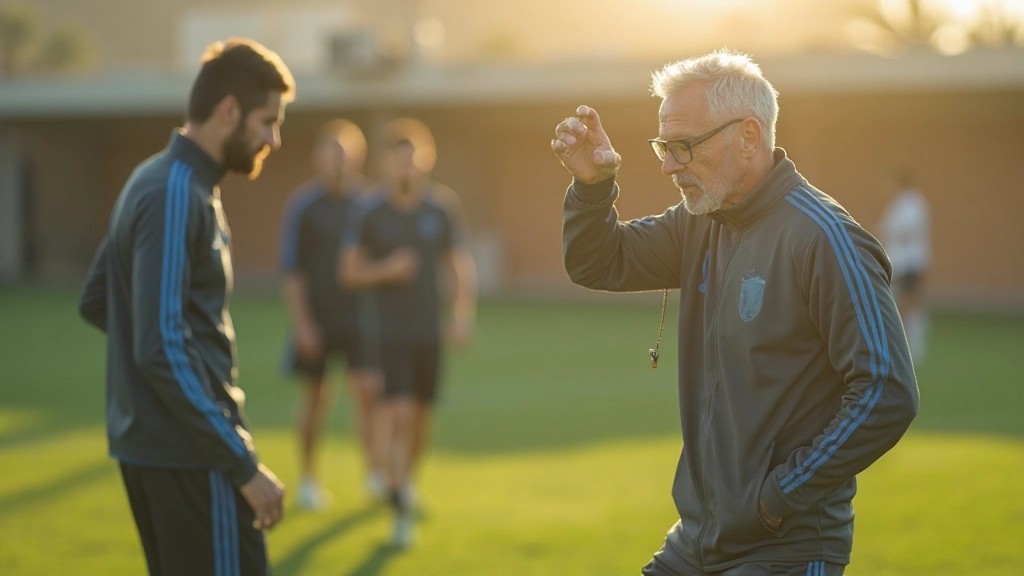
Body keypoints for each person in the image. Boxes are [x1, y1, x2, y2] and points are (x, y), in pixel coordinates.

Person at [551, 50, 919, 576]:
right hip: (695, 540)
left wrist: (775, 498)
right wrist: (592, 188)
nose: (668, 165)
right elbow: (598, 262)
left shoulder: (824, 238)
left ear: (748, 136)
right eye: (663, 145)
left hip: (784, 550)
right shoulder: (701, 221)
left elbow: (886, 391)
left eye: (683, 146)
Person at [78, 38, 294, 575]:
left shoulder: (156, 178)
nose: (274, 139)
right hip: (192, 455)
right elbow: (160, 344)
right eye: (268, 121)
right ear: (228, 111)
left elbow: (98, 301)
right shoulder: (176, 191)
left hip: (159, 450)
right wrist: (240, 463)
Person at [340, 118, 477, 548]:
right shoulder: (369, 211)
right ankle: (399, 513)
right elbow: (349, 271)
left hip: (427, 332)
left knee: (420, 420)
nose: (407, 168)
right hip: (386, 332)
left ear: (425, 160)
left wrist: (460, 313)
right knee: (397, 415)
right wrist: (387, 270)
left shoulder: (440, 208)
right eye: (398, 161)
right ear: (385, 164)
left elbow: (457, 264)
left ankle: (403, 482)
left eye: (413, 159)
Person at [279, 118, 386, 510]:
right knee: (315, 398)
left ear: (357, 157)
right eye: (332, 152)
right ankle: (308, 479)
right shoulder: (304, 207)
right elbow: (293, 271)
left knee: (368, 396)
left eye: (346, 153)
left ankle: (374, 475)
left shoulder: (370, 205)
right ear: (319, 157)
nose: (339, 161)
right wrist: (303, 323)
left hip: (361, 320)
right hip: (318, 320)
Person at [877, 171, 931, 363]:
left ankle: (915, 345)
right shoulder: (897, 204)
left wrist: (888, 230)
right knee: (896, 302)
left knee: (908, 303)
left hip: (909, 261)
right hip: (897, 262)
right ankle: (900, 344)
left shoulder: (913, 203)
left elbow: (906, 230)